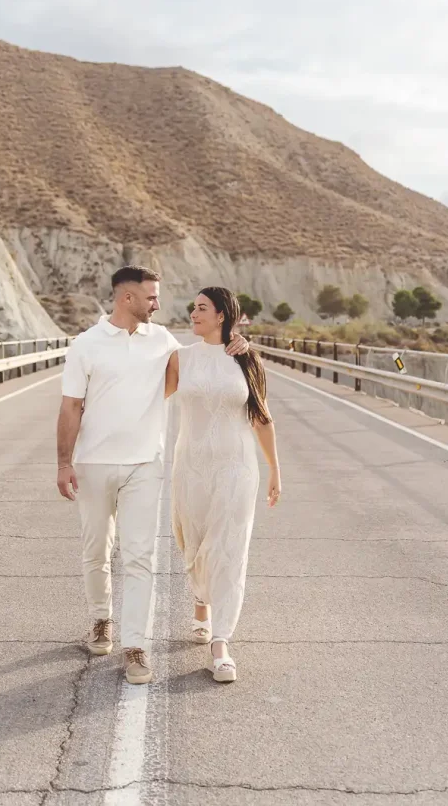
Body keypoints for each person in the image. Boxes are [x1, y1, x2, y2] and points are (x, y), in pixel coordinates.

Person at [55, 266, 248, 685]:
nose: (159, 305)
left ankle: (135, 644)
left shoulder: (163, 342)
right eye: (152, 297)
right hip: (93, 463)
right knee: (96, 549)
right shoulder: (85, 345)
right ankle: (100, 619)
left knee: (141, 556)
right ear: (127, 298)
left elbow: (205, 358)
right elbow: (70, 407)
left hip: (145, 462)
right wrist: (63, 463)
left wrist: (237, 340)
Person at [165, 286, 281, 683]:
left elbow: (261, 418)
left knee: (229, 547)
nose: (193, 313)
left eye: (201, 308)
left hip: (237, 466)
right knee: (195, 542)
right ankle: (201, 601)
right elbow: (148, 401)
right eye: (192, 307)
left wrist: (274, 471)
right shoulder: (180, 359)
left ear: (221, 315)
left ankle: (221, 642)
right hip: (191, 466)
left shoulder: (246, 358)